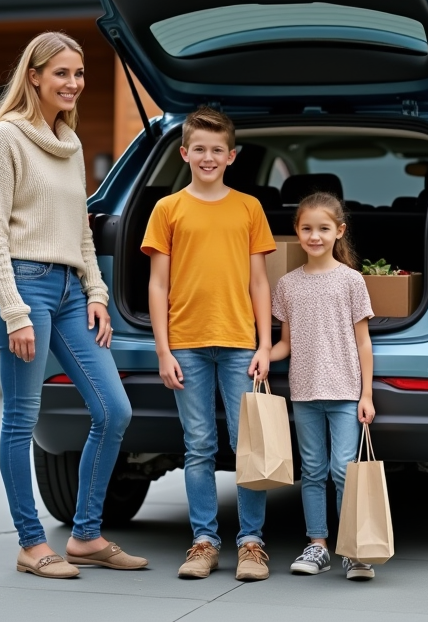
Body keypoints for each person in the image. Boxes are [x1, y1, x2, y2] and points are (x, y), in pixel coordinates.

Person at [0, 31, 146, 579]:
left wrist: (96, 290)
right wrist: (14, 311)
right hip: (23, 286)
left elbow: (82, 232)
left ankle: (86, 536)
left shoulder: (69, 144)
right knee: (21, 420)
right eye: (62, 74)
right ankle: (30, 543)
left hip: (71, 291)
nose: (73, 83)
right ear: (34, 78)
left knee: (113, 410)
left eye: (79, 73)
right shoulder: (6, 139)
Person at [141, 106, 277, 581]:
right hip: (187, 345)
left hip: (241, 342)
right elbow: (158, 285)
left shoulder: (248, 208)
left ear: (232, 156)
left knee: (248, 447)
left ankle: (252, 543)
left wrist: (264, 344)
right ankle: (203, 542)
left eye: (217, 150)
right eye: (199, 149)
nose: (208, 157)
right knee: (198, 445)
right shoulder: (168, 209)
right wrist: (163, 350)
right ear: (184, 153)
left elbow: (261, 282)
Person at [270, 191, 378, 581]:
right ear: (296, 232)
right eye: (307, 229)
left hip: (346, 393)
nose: (315, 236)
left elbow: (363, 341)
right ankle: (318, 545)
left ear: (339, 231)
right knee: (313, 470)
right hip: (304, 392)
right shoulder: (287, 285)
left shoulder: (351, 281)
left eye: (323, 229)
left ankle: (353, 547)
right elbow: (286, 342)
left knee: (343, 470)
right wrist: (265, 356)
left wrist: (366, 394)